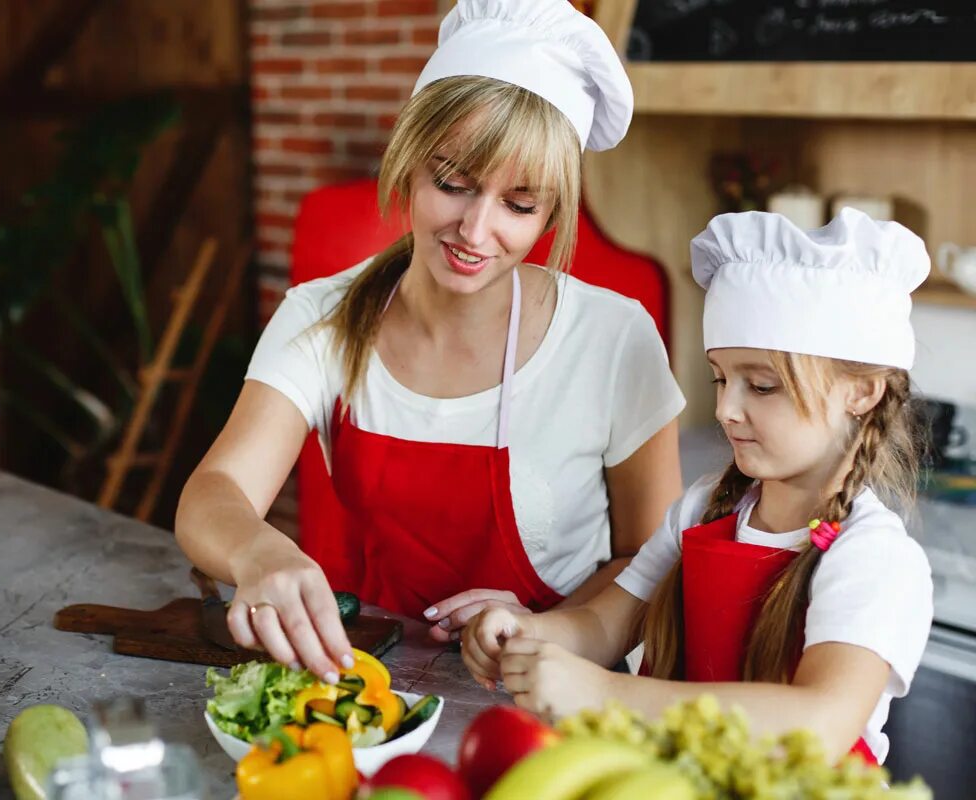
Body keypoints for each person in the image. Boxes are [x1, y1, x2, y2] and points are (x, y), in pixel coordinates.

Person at [174, 0, 685, 683]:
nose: (475, 231)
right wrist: (259, 554)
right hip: (360, 680)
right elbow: (215, 491)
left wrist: (550, 630)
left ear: (553, 213)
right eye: (453, 183)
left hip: (551, 689)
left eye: (519, 205)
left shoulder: (615, 339)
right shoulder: (321, 316)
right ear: (409, 162)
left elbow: (651, 564)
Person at [463, 208, 935, 765]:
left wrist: (609, 694)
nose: (726, 409)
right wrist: (528, 635)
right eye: (721, 378)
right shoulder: (701, 512)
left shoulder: (874, 557)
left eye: (762, 386)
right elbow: (602, 625)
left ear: (863, 393)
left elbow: (820, 723)